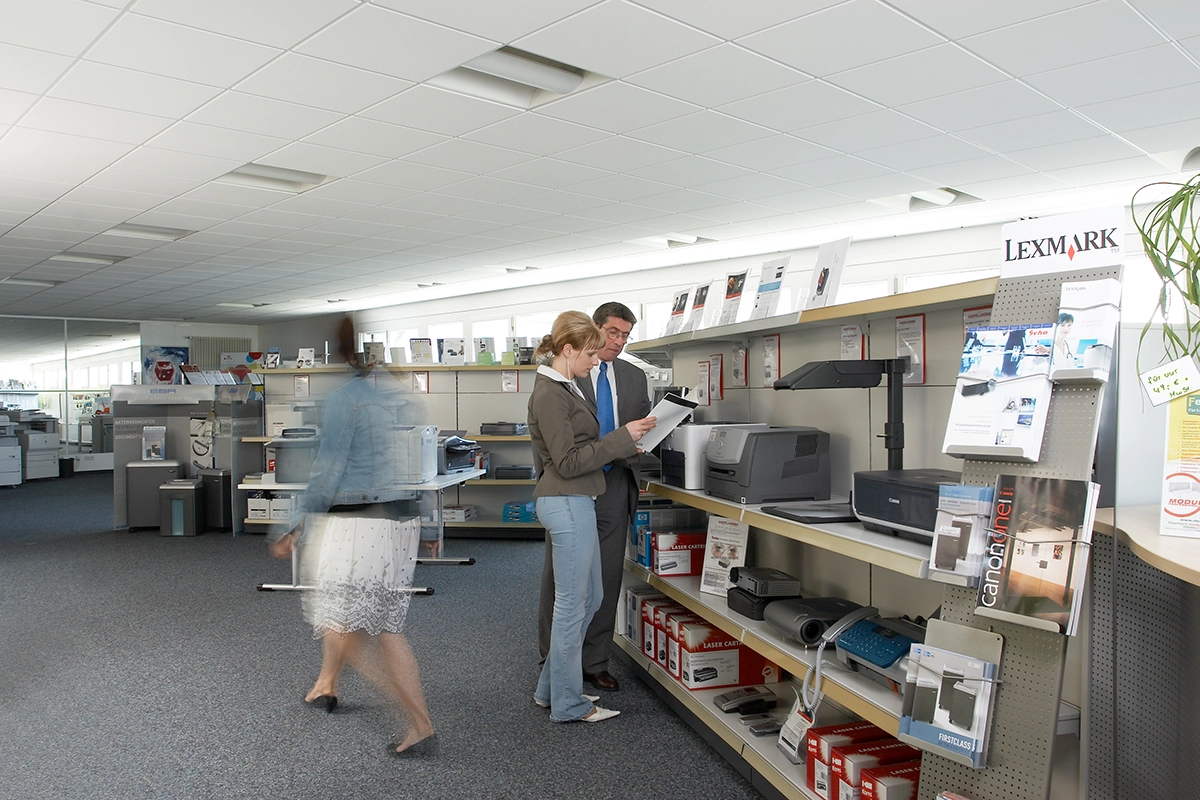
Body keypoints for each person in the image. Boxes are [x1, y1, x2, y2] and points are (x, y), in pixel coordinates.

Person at [268, 317, 436, 756]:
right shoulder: (397, 398)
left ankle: (419, 721)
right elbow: (417, 463)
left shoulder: (346, 400)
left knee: (369, 627)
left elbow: (330, 464)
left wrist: (297, 521)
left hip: (360, 523)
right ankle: (326, 682)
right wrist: (432, 526)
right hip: (400, 522)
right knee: (346, 615)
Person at [528, 310, 656, 722]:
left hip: (583, 496)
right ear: (569, 349)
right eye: (590, 353)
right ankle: (568, 703)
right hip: (567, 497)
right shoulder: (550, 392)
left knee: (592, 596)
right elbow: (566, 461)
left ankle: (549, 690)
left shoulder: (564, 386)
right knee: (572, 603)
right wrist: (622, 438)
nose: (597, 359)